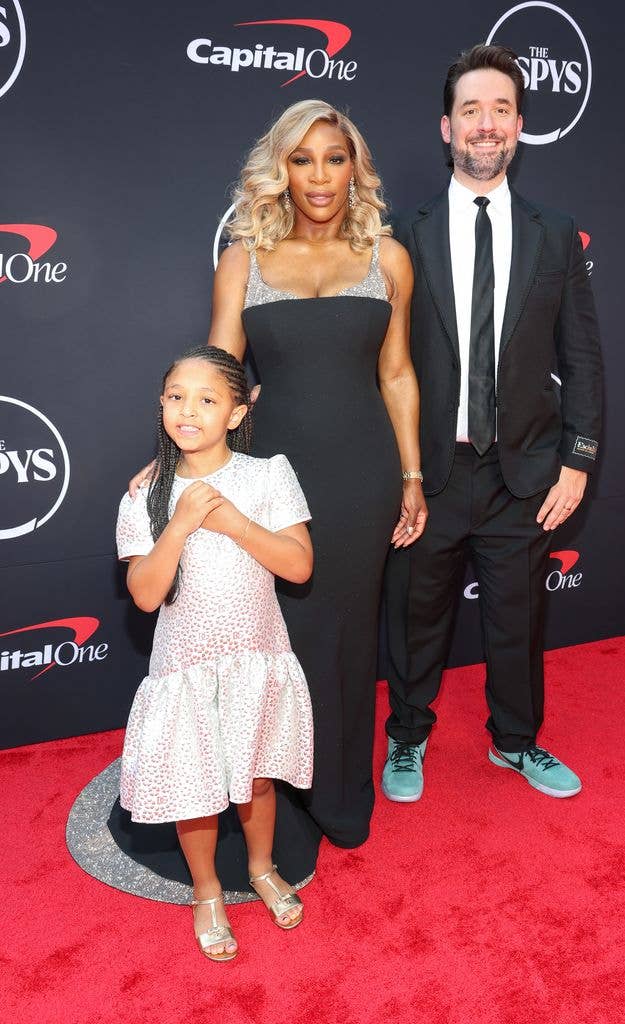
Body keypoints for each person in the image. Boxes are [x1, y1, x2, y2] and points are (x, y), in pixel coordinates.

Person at [125, 100, 426, 862]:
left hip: (364, 475)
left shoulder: (388, 257)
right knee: (274, 640)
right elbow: (221, 374)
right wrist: (168, 455)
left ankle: (341, 797)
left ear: (354, 166)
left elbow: (396, 373)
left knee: (351, 640)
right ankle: (274, 802)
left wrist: (413, 474)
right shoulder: (244, 257)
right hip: (271, 480)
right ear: (280, 169)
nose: (320, 175)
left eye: (334, 157)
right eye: (302, 159)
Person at [382, 44, 603, 803]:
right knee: (416, 615)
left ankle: (517, 742)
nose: (486, 125)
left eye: (501, 110)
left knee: (517, 619)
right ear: (447, 127)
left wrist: (577, 461)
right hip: (429, 470)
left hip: (524, 472)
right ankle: (406, 735)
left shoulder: (555, 234)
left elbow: (583, 360)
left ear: (519, 127)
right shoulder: (398, 234)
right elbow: (373, 357)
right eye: (471, 110)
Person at [116, 345, 315, 961]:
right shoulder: (143, 495)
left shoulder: (268, 475)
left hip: (257, 657)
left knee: (256, 777)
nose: (189, 410)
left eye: (207, 399)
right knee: (193, 785)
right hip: (186, 668)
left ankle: (260, 868)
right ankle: (206, 891)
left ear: (236, 412)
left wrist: (233, 523)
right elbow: (145, 596)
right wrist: (177, 524)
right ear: (161, 405)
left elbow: (300, 565)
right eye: (176, 396)